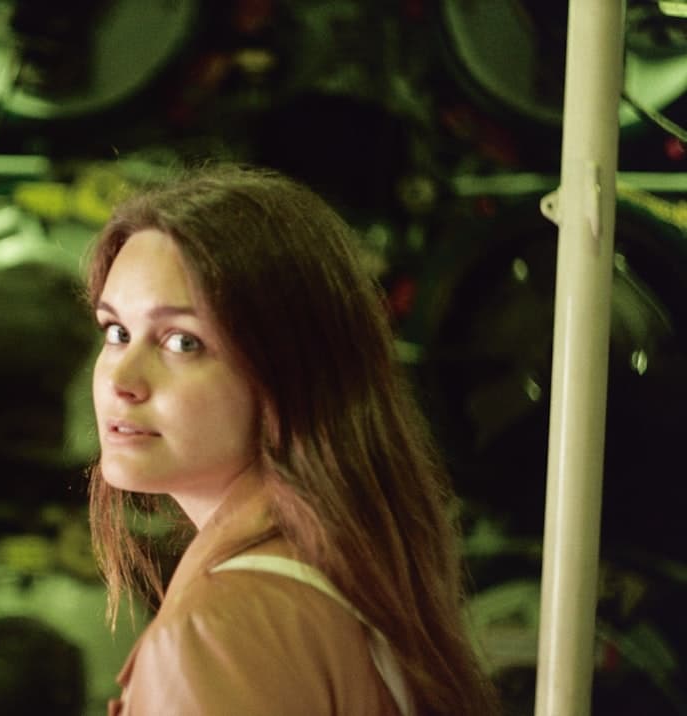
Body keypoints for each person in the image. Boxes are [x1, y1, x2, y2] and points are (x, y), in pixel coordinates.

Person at [85, 162, 499, 715]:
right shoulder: (348, 567)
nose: (121, 380)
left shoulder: (216, 634)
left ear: (287, 368)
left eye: (183, 342)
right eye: (116, 332)